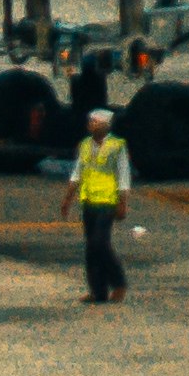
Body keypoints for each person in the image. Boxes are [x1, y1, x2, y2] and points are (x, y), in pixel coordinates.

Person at [62, 105, 134, 303]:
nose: (90, 125)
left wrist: (122, 203)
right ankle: (98, 291)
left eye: (94, 122)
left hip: (107, 202)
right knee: (91, 248)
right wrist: (68, 198)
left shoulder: (117, 146)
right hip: (89, 201)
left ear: (104, 125)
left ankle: (118, 282)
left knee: (99, 243)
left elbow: (123, 176)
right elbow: (77, 172)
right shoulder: (85, 145)